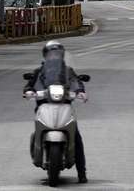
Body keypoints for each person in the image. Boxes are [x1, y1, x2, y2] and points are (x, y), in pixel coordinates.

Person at [24, 40, 89, 184]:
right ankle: (38, 148)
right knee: (38, 126)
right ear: (46, 55)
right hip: (44, 105)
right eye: (51, 54)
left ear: (62, 55)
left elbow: (76, 81)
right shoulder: (39, 72)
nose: (54, 56)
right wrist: (28, 91)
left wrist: (80, 91)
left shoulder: (67, 70)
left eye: (57, 54)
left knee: (76, 137)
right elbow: (30, 84)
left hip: (64, 106)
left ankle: (82, 172)